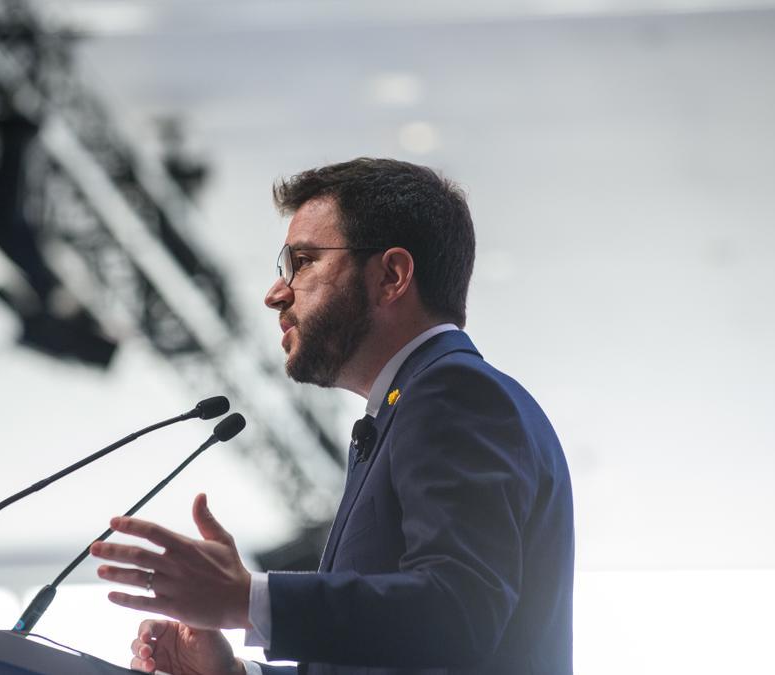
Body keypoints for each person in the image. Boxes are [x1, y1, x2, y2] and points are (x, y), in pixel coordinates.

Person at [90, 158, 574, 675]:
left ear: (391, 275)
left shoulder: (453, 392)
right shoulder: (408, 405)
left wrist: (246, 599)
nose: (276, 294)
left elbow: (461, 614)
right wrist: (231, 673)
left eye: (305, 261)